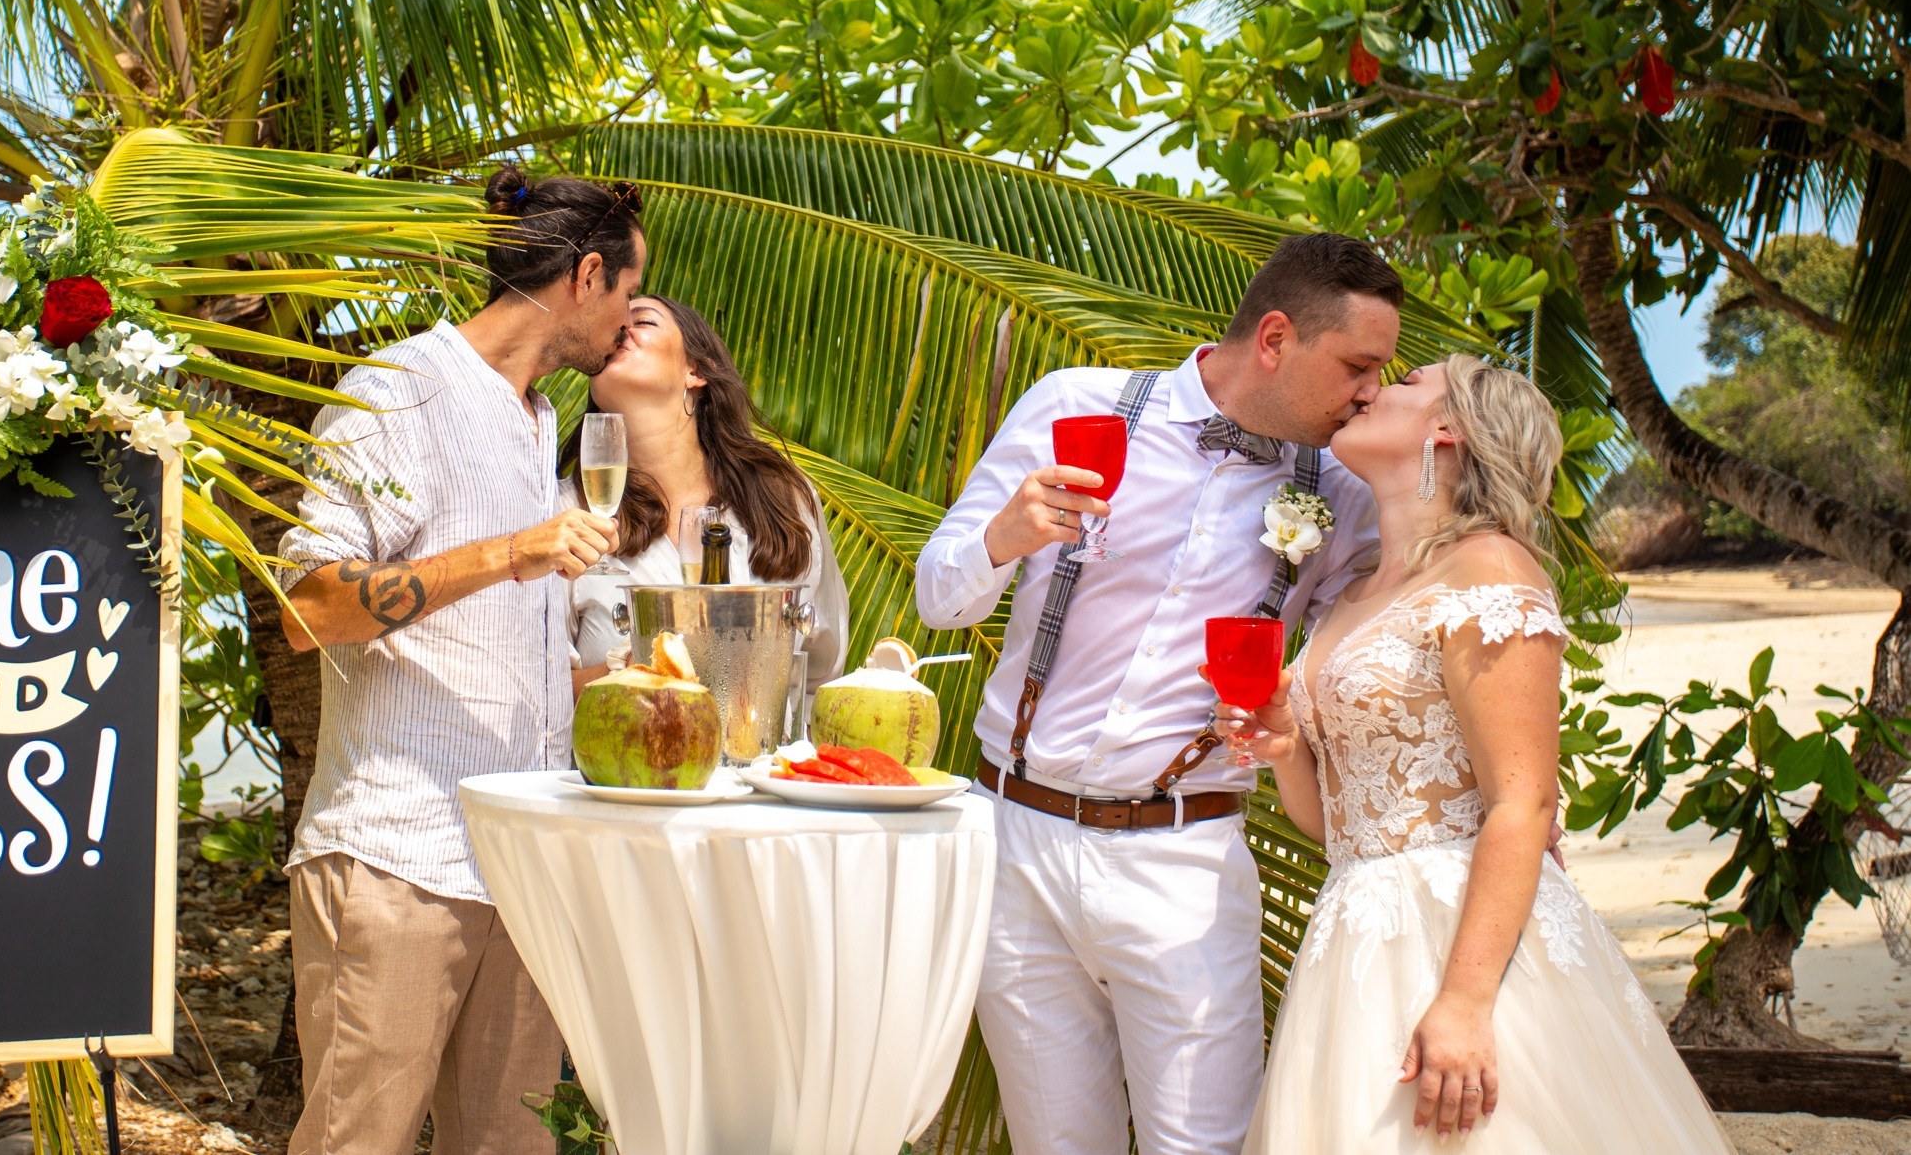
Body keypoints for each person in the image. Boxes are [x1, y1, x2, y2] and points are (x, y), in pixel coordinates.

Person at [916, 231, 1404, 1155]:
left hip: (1184, 857)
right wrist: (1008, 534)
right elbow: (938, 595)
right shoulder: (1077, 404)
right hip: (1013, 841)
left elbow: (1373, 652)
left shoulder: (1341, 493)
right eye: (1358, 365)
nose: (1371, 390)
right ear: (1274, 338)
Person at [1219, 356, 1733, 1152]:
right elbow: (1341, 831)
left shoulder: (1490, 569)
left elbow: (1523, 801)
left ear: (1447, 428)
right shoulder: (1356, 592)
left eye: (1406, 381)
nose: (1372, 388)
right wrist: (1287, 743)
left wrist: (1463, 999)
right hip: (1355, 944)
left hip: (1466, 942)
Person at [273, 165, 645, 1155]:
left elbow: (502, 654)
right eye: (628, 290)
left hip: (522, 868)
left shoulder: (538, 422)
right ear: (588, 276)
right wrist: (511, 555)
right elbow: (309, 608)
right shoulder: (399, 391)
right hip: (402, 856)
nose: (632, 317)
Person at [561, 294, 849, 694]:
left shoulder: (784, 498)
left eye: (642, 321)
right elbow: (538, 697)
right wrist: (629, 674)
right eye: (610, 324)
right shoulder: (566, 512)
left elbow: (819, 670)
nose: (620, 329)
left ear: (696, 370)